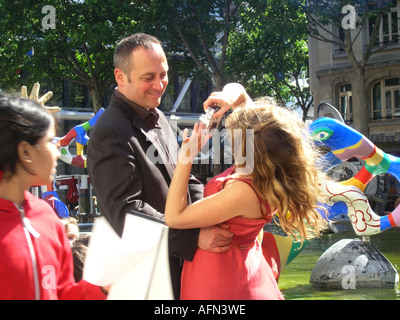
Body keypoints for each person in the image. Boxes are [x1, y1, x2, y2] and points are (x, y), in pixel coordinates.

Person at [86, 33, 233, 299]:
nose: (160, 85)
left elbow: (183, 178)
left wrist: (210, 214)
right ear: (120, 77)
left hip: (176, 271)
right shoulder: (110, 131)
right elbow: (127, 213)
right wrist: (194, 237)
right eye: (148, 77)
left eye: (163, 74)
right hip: (147, 281)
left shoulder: (158, 116)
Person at [165, 90, 328, 299]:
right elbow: (241, 95)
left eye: (234, 137)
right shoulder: (259, 174)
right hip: (241, 270)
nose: (230, 142)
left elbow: (174, 217)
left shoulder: (244, 192)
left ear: (251, 147)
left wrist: (186, 156)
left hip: (221, 280)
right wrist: (227, 97)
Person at [0, 95, 106, 300]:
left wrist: (103, 287)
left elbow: (62, 292)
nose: (58, 152)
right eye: (50, 140)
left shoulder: (47, 217)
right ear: (25, 151)